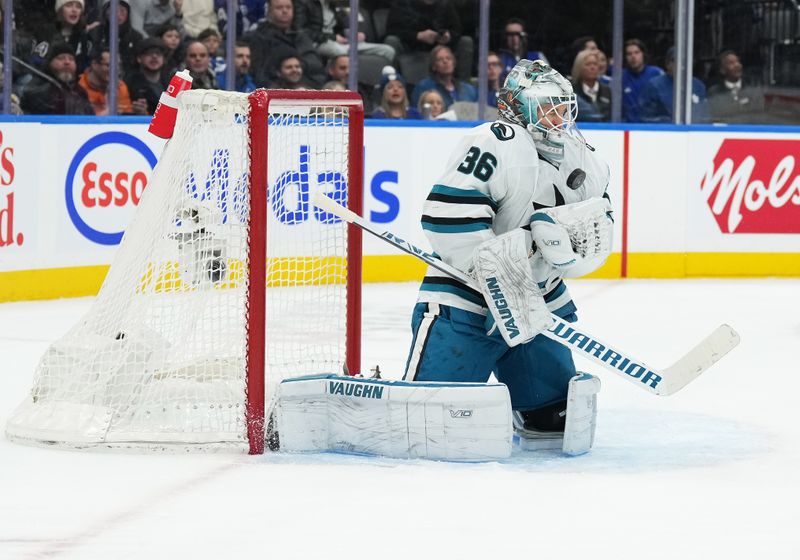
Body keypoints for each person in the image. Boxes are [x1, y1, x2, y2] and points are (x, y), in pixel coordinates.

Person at [402, 59, 612, 452]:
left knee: (553, 420)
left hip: (538, 304)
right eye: (547, 105)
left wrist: (569, 254)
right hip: (468, 300)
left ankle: (532, 399)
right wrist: (501, 273)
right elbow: (446, 216)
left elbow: (597, 228)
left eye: (564, 105)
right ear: (518, 107)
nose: (559, 114)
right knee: (434, 420)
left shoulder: (586, 158)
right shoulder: (494, 142)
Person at [384, 0, 474, 81]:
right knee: (391, 40)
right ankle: (393, 83)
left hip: (440, 47)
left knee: (466, 41)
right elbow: (392, 30)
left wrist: (448, 36)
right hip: (410, 45)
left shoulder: (445, 4)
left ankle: (463, 86)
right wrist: (417, 36)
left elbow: (457, 30)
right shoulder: (402, 4)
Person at [243, 0, 325, 88]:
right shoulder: (258, 38)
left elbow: (316, 66)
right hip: (275, 90)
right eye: (279, 7)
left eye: (288, 7)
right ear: (269, 11)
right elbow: (259, 74)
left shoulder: (301, 36)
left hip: (307, 87)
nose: (285, 11)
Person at [293, 0, 395, 65]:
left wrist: (353, 34)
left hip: (342, 44)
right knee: (338, 50)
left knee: (388, 50)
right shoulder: (304, 3)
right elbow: (302, 32)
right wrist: (332, 37)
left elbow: (341, 28)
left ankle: (380, 85)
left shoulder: (333, 5)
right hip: (319, 42)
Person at [20, 42, 95, 115]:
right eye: (60, 58)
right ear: (49, 63)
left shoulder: (80, 92)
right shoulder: (36, 87)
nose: (67, 62)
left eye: (71, 59)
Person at [639, 46, 709, 123]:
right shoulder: (654, 85)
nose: (682, 64)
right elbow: (646, 117)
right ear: (667, 64)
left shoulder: (698, 86)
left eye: (685, 60)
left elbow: (703, 116)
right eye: (676, 60)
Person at [30, 0, 93, 73]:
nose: (74, 10)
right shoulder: (45, 32)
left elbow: (86, 64)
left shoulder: (84, 37)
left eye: (78, 7)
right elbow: (35, 60)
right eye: (69, 5)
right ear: (60, 10)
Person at [410, 45, 477, 109]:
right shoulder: (424, 87)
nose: (445, 61)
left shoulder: (468, 89)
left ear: (454, 64)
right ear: (434, 66)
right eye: (440, 59)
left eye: (448, 58)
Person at [88, 0, 145, 76]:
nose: (118, 14)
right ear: (105, 12)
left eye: (122, 10)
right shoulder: (95, 32)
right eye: (114, 10)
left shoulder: (136, 37)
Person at [706, 50, 763, 123]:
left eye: (738, 62)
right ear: (722, 70)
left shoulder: (754, 91)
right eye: (731, 63)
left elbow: (759, 117)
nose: (737, 65)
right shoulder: (714, 92)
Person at [78, 47, 138, 115]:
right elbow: (75, 120)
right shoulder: (78, 85)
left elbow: (127, 116)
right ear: (94, 65)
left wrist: (140, 113)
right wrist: (102, 115)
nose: (116, 70)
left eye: (118, 66)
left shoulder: (120, 86)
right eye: (109, 65)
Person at [621, 38, 663, 122]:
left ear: (643, 54)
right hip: (628, 126)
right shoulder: (621, 76)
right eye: (629, 54)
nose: (633, 56)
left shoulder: (656, 73)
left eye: (636, 52)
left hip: (652, 126)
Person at [125, 37, 169, 114]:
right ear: (139, 58)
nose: (154, 56)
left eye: (158, 53)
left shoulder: (170, 82)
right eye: (149, 53)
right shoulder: (130, 83)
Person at [571, 49, 611, 122]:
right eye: (588, 64)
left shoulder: (607, 91)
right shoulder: (572, 91)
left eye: (595, 64)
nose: (592, 67)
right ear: (579, 67)